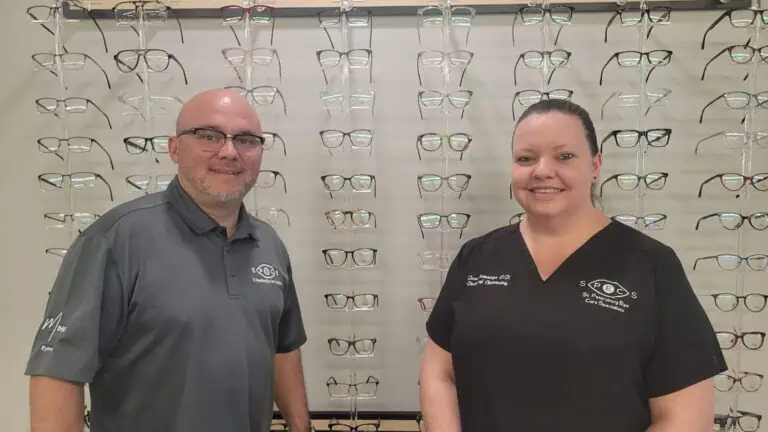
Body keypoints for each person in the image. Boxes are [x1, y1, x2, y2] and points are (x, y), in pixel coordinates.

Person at [418, 99, 727, 432]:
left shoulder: (652, 265)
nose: (542, 170)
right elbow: (439, 374)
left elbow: (685, 419)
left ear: (595, 165)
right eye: (526, 158)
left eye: (564, 156)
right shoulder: (476, 258)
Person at [25, 88, 311, 432]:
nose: (230, 152)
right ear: (174, 148)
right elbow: (57, 372)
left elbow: (283, 347)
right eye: (209, 136)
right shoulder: (115, 240)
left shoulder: (268, 245)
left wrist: (301, 426)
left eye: (247, 140)